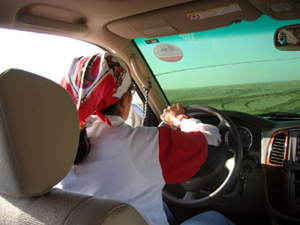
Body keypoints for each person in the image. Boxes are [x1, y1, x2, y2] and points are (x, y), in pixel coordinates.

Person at [56, 52, 234, 225]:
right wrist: (179, 119)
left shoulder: (54, 144)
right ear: (125, 99)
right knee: (213, 218)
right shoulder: (146, 143)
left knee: (162, 205)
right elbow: (213, 142)